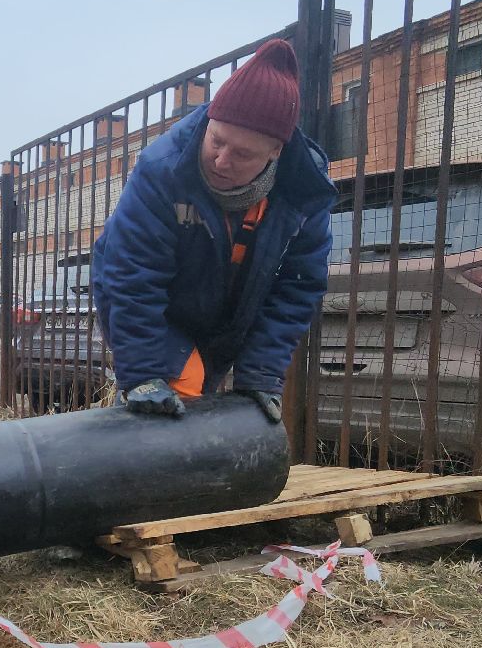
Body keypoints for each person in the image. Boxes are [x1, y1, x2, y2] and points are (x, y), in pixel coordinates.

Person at [90, 38, 335, 424]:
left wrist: (261, 373)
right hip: (158, 312)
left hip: (227, 318)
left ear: (276, 152)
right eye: (216, 141)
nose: (221, 161)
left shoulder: (303, 193)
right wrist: (142, 372)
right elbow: (133, 274)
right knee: (175, 401)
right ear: (208, 122)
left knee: (209, 410)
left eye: (242, 154)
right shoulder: (163, 170)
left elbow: (297, 288)